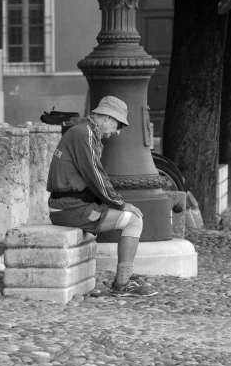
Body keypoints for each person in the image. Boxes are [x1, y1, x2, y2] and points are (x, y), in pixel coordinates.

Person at [46, 95, 158, 297]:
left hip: (67, 205)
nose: (116, 132)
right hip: (71, 208)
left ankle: (125, 278)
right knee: (134, 220)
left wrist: (115, 203)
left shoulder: (83, 131)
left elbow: (93, 176)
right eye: (117, 125)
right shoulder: (85, 133)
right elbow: (96, 175)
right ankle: (123, 283)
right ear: (107, 117)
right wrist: (120, 204)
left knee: (129, 217)